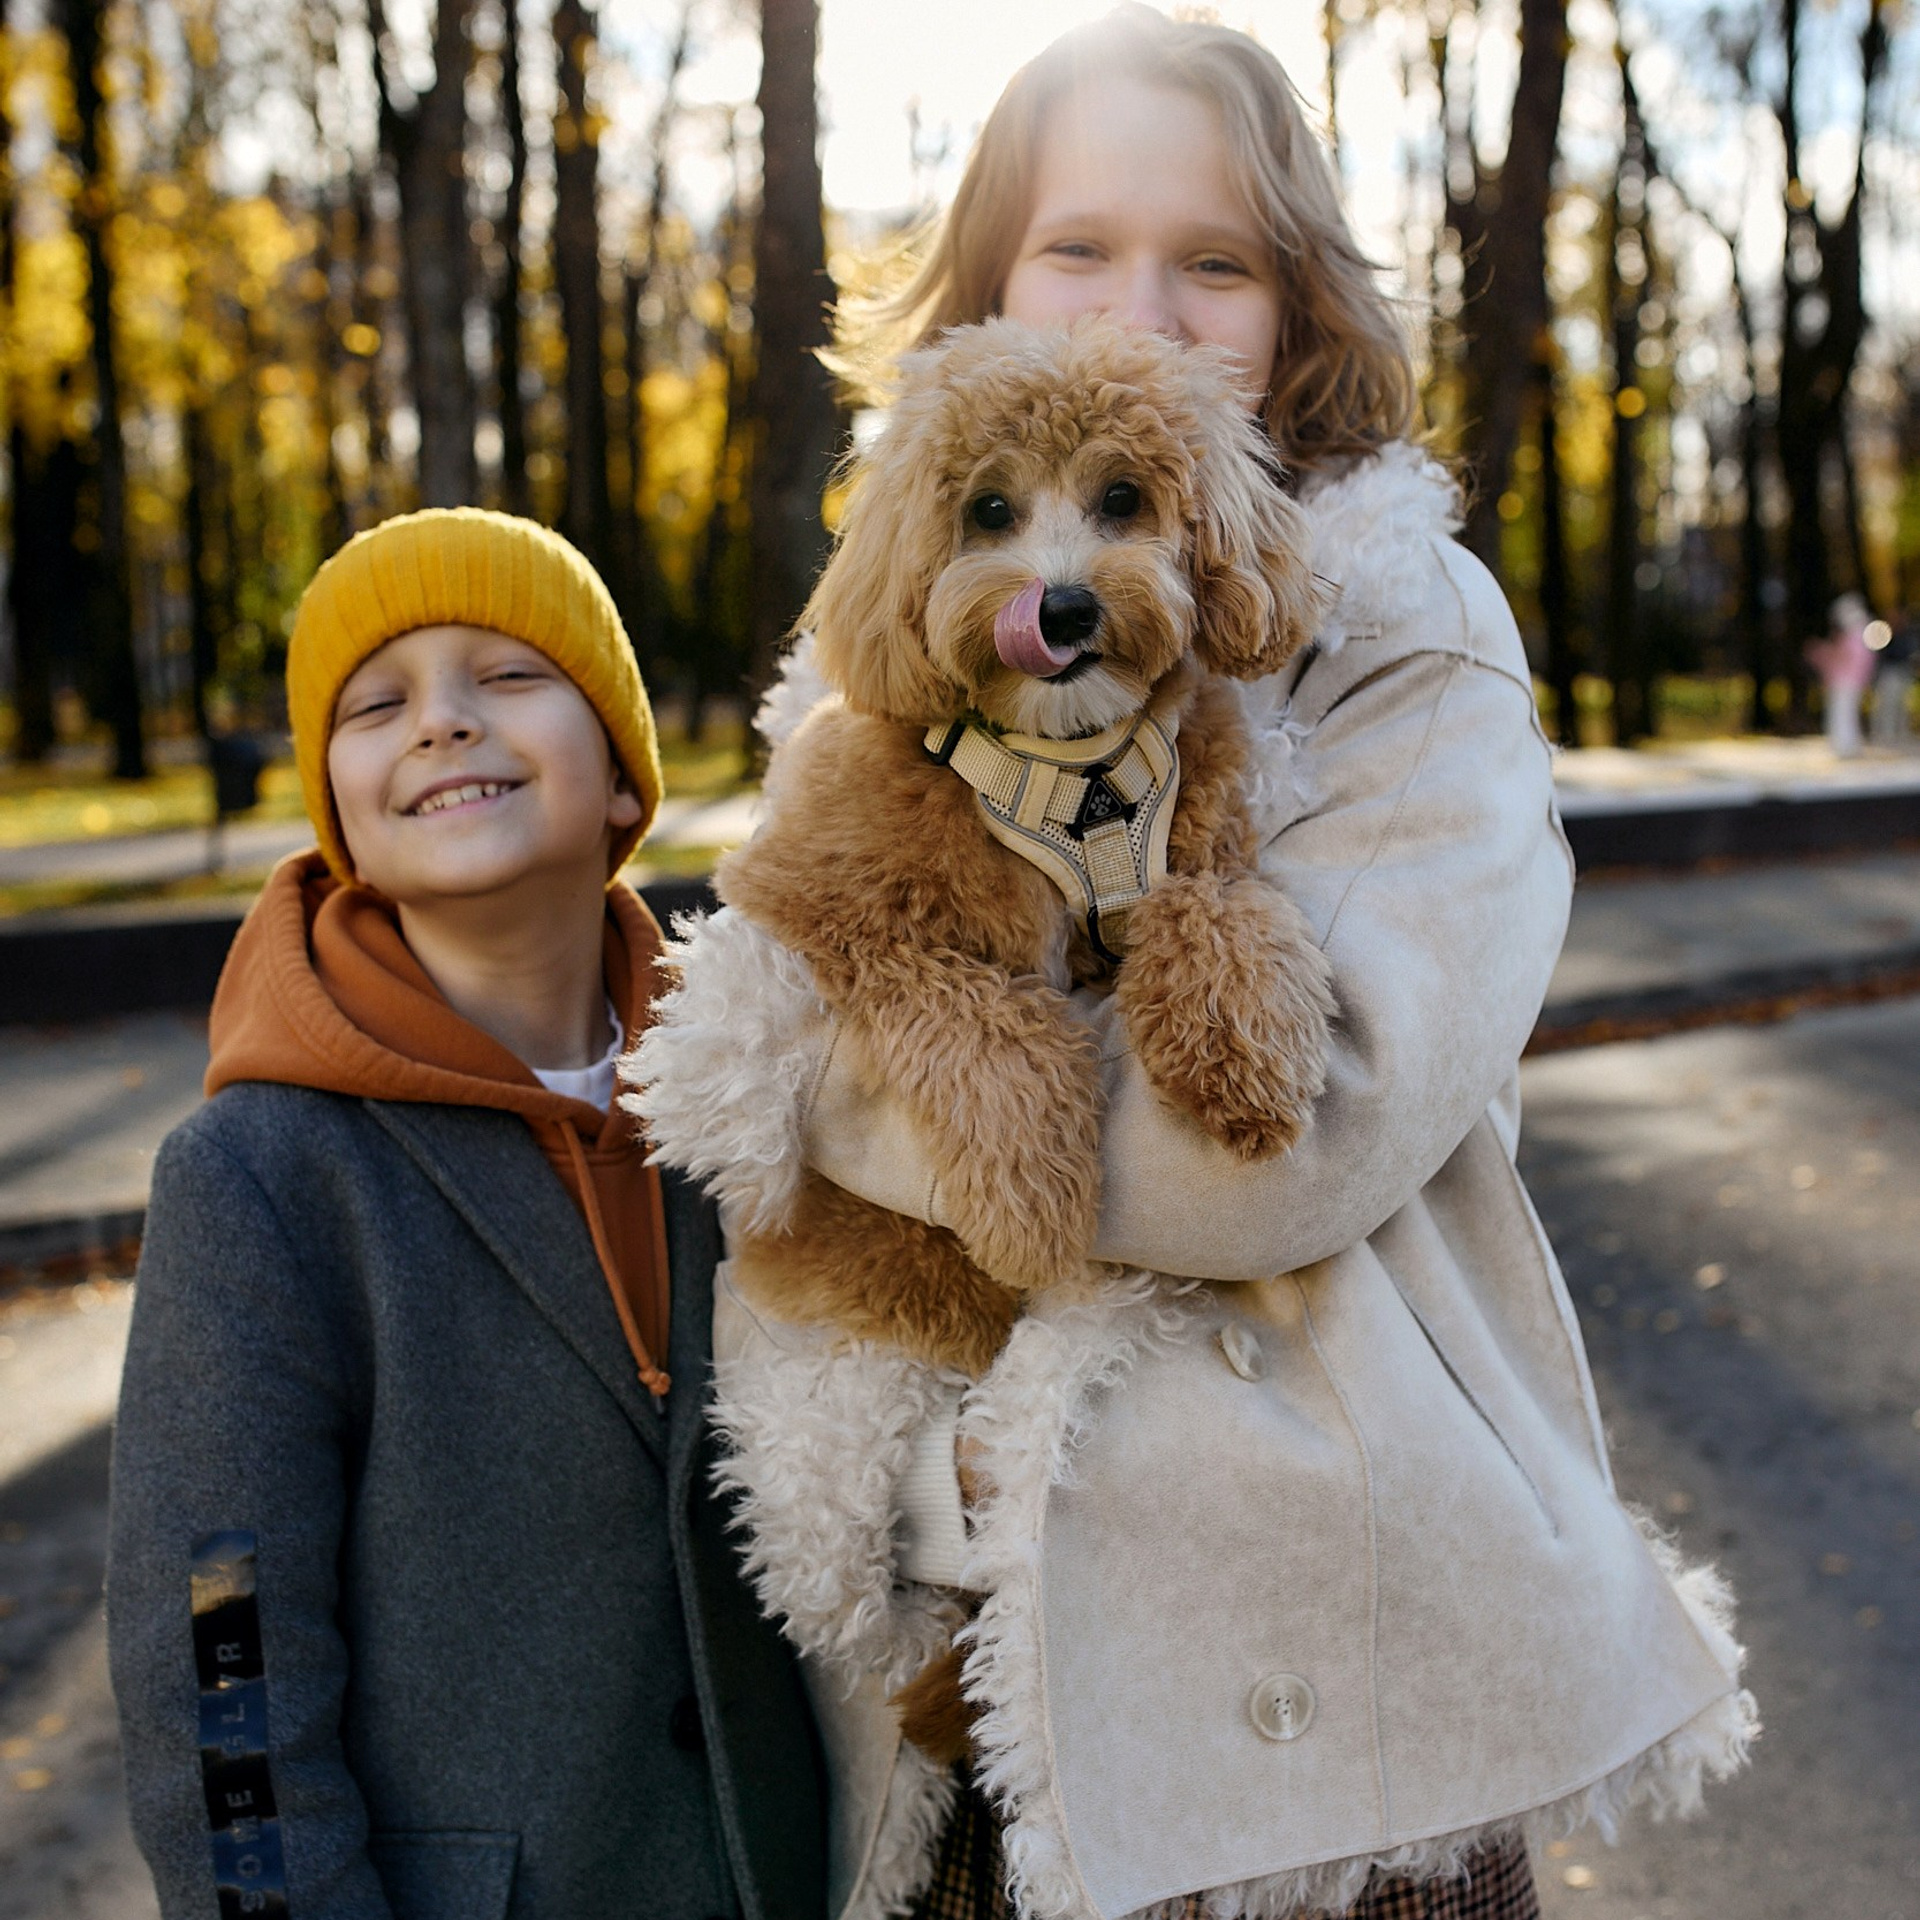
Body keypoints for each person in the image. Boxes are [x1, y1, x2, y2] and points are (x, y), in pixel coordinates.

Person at [629, 11, 1756, 1920]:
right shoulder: (908, 625)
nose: (1141, 309)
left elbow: (1294, 1144)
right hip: (975, 1633)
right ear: (988, 281)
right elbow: (785, 976)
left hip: (1312, 1648)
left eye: (1213, 262)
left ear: (1299, 305)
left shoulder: (1415, 636)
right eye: (1079, 247)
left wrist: (888, 1099)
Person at [107, 509, 828, 1920]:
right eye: (377, 705)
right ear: (343, 818)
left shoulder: (761, 1085)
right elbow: (222, 1688)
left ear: (624, 782)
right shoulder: (262, 1177)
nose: (439, 725)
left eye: (507, 677)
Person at [1806, 592, 1875, 759]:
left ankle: (1845, 746)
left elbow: (1843, 657)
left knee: (1842, 713)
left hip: (1845, 680)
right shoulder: (1863, 634)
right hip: (1850, 680)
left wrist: (1820, 653)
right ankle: (1846, 745)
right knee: (1846, 713)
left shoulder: (1854, 635)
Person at [1869, 607, 1916, 750]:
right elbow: (1879, 655)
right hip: (1889, 674)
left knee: (1901, 706)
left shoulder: (1906, 635)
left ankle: (1900, 733)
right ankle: (1885, 734)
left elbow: (1908, 654)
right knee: (1886, 705)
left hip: (1902, 673)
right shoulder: (1884, 633)